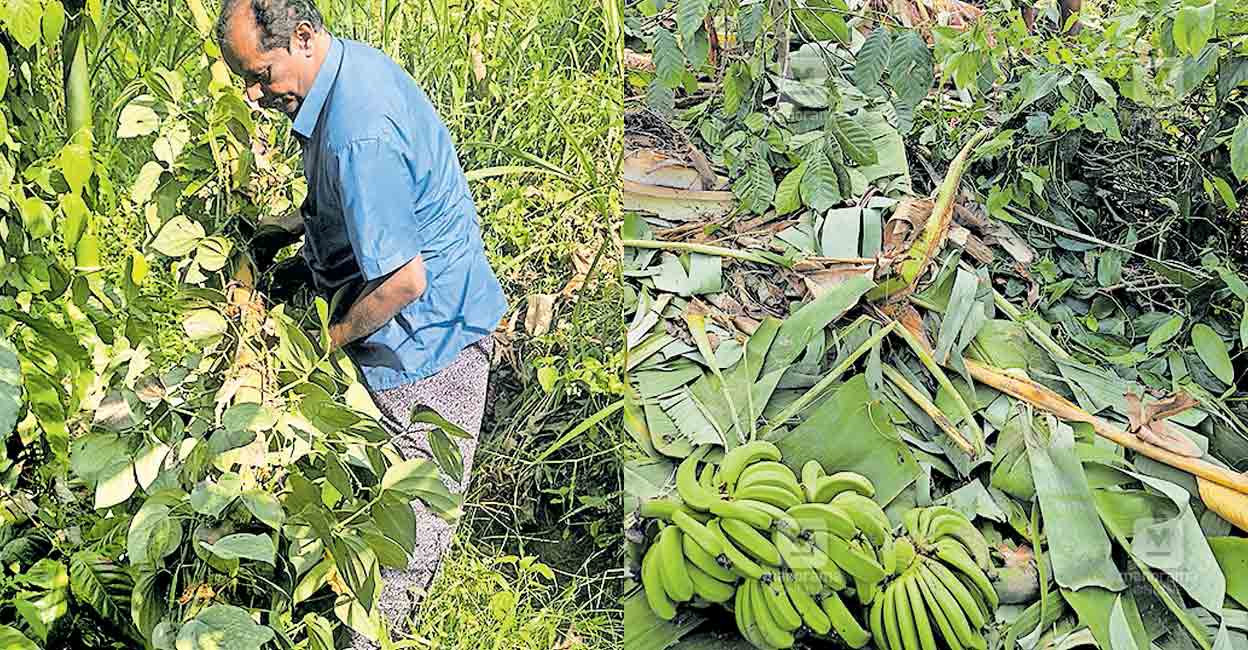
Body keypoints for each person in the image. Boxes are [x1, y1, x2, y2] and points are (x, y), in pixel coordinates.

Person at [215, 0, 509, 646]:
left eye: (261, 74)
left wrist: (332, 340)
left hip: (433, 345)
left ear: (303, 37)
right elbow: (348, 199)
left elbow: (405, 280)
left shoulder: (358, 129)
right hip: (394, 324)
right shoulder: (332, 83)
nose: (254, 94)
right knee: (365, 493)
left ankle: (368, 638)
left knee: (409, 528)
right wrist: (289, 237)